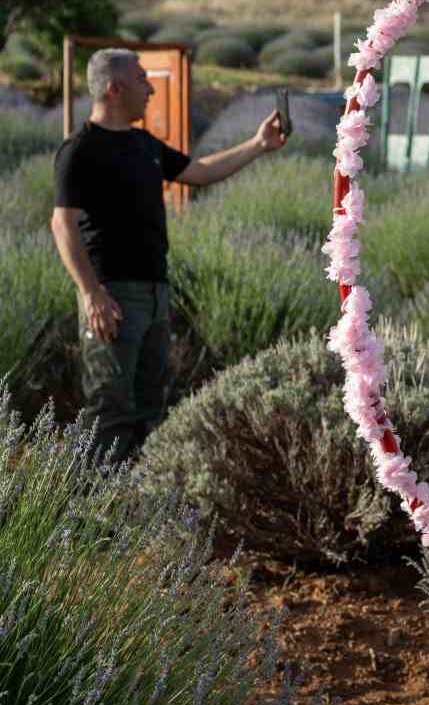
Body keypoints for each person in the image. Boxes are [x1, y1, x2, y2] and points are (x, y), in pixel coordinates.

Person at [50, 47, 287, 463]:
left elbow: (201, 172)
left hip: (156, 295)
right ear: (115, 88)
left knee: (148, 407)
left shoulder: (144, 144)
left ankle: (133, 506)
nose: (150, 91)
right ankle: (87, 508)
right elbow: (62, 225)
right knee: (109, 411)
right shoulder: (79, 150)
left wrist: (257, 145)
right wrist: (91, 294)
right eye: (143, 80)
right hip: (113, 298)